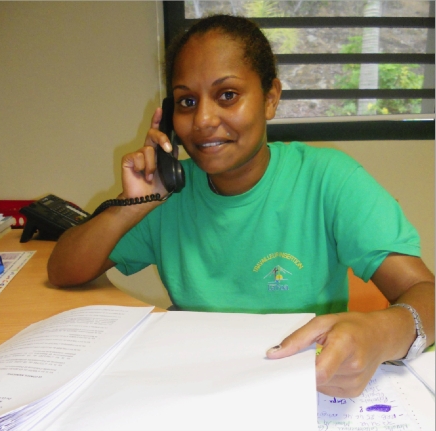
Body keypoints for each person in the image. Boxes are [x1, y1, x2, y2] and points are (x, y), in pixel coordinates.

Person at [48, 14, 435, 397]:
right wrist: (132, 204)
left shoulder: (329, 180)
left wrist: (378, 334)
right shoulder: (166, 195)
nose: (203, 119)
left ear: (270, 98)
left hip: (303, 382)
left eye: (227, 95)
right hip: (197, 385)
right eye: (187, 101)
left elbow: (424, 292)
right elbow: (63, 271)